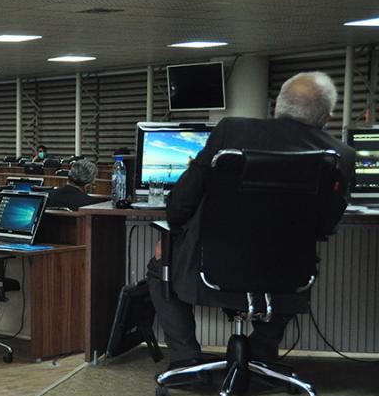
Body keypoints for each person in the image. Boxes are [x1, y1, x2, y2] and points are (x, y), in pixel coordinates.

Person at [147, 71, 355, 371]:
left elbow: (180, 205)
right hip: (286, 274)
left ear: (278, 106)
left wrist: (174, 232)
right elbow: (325, 226)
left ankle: (185, 358)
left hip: (211, 268)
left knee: (160, 268)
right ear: (326, 118)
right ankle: (261, 353)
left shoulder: (231, 131)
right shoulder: (341, 155)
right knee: (298, 262)